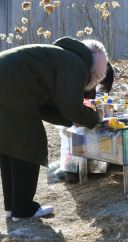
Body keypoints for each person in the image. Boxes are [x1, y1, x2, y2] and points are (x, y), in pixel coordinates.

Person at [0, 36, 114, 222]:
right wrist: (94, 117)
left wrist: (71, 121)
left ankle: (13, 208)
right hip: (13, 81)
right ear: (96, 75)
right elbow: (71, 106)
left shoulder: (62, 57)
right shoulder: (77, 64)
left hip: (8, 78)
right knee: (29, 142)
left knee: (10, 144)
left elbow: (44, 107)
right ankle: (23, 209)